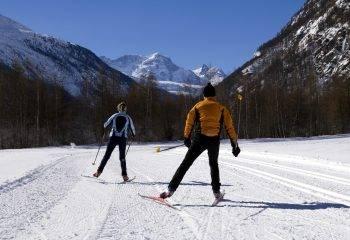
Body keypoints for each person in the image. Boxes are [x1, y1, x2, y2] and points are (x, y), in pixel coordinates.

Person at [160, 83, 240, 199]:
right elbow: (230, 128)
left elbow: (189, 121)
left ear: (204, 95)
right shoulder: (222, 108)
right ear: (214, 95)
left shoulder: (198, 106)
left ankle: (170, 190)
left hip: (200, 139)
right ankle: (216, 192)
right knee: (213, 165)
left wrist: (186, 137)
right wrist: (235, 146)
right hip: (214, 140)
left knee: (186, 163)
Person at [93, 101, 136, 181]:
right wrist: (133, 134)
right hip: (123, 139)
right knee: (122, 157)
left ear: (118, 108)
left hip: (113, 137)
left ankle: (98, 172)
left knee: (107, 156)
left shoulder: (114, 115)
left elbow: (105, 124)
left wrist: (103, 132)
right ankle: (125, 176)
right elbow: (133, 129)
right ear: (125, 109)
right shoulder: (128, 117)